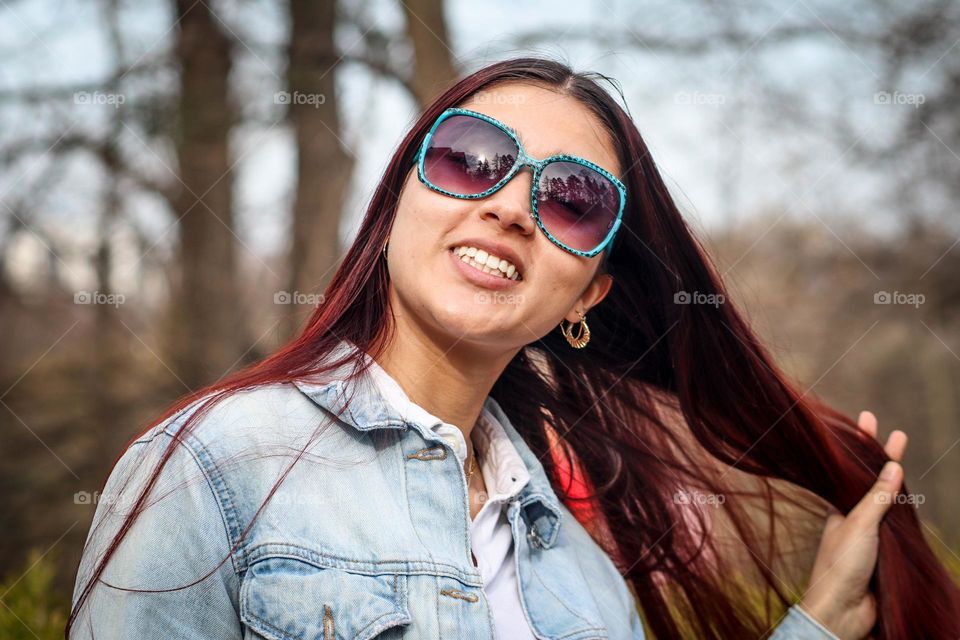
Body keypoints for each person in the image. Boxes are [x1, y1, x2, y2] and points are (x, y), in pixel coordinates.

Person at [68, 57, 960, 639]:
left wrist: (823, 619)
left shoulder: (582, 573)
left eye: (571, 200)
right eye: (469, 158)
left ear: (590, 291)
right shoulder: (212, 466)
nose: (507, 205)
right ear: (397, 204)